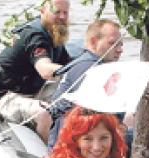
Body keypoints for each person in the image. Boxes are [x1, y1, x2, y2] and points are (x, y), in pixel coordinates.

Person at [0, 0, 72, 142]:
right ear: (42, 10)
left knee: (74, 97)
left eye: (65, 13)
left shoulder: (54, 33)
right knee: (44, 114)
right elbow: (45, 70)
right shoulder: (34, 36)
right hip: (2, 96)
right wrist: (71, 69)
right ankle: (49, 156)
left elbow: (67, 62)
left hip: (31, 91)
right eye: (57, 12)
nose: (62, 17)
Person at [46, 19, 125, 147]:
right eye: (113, 44)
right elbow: (94, 114)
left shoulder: (93, 64)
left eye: (121, 44)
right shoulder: (88, 69)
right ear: (94, 42)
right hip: (70, 148)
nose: (120, 49)